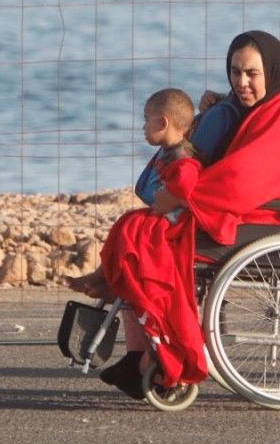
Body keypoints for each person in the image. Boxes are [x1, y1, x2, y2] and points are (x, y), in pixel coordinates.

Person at [94, 30, 280, 400]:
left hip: (255, 223)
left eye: (251, 74)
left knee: (141, 239)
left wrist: (182, 196)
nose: (242, 82)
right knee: (134, 230)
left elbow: (243, 180)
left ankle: (163, 357)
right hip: (236, 213)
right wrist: (213, 112)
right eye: (235, 72)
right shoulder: (254, 106)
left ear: (273, 70)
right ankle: (140, 353)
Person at [64, 87, 204, 298]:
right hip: (168, 215)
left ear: (163, 123)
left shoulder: (182, 156)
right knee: (126, 222)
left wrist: (172, 196)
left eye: (147, 120)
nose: (143, 126)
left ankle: (113, 282)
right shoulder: (170, 151)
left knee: (132, 227)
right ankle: (106, 277)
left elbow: (186, 184)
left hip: (178, 220)